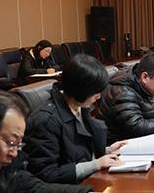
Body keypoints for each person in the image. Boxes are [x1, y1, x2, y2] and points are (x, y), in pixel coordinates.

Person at [24, 54, 126, 183]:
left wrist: (107, 150)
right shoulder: (45, 121)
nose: (98, 97)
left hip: (88, 181)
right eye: (95, 92)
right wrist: (96, 164)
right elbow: (46, 174)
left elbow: (78, 152)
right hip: (70, 190)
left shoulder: (80, 106)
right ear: (81, 89)